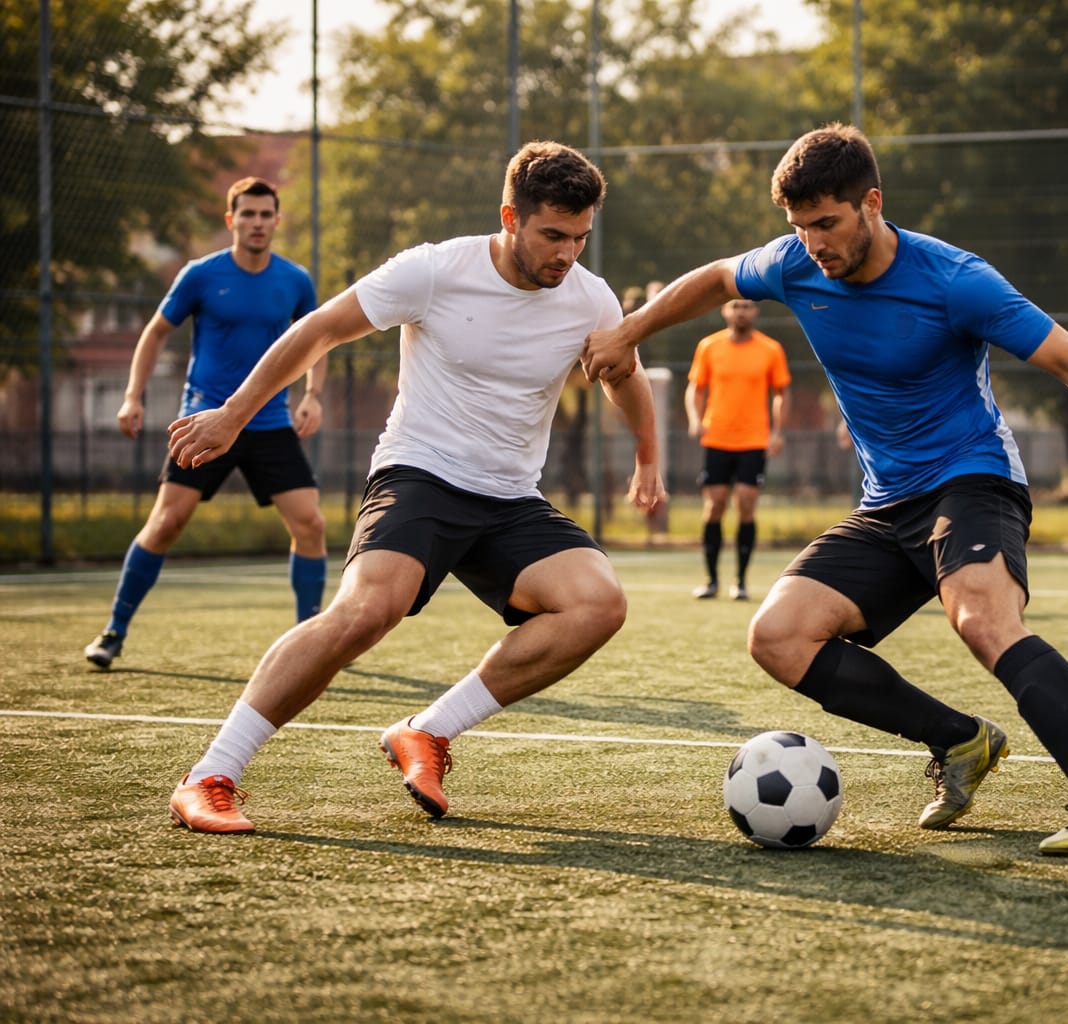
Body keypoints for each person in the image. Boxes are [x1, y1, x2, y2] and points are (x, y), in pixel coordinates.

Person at [583, 123, 1068, 857]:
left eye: (827, 223)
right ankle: (959, 740)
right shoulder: (793, 263)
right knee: (778, 637)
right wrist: (630, 331)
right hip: (887, 502)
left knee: (982, 620)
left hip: (972, 479)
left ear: (871, 203)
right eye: (800, 226)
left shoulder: (955, 280)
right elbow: (715, 279)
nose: (813, 243)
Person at [162, 141, 664, 834]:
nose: (567, 254)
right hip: (420, 474)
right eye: (553, 235)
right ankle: (209, 775)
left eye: (580, 238)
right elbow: (318, 331)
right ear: (510, 217)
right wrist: (233, 415)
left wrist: (646, 454)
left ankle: (427, 731)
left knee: (598, 604)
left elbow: (622, 373)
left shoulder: (589, 297)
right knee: (367, 612)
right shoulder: (433, 270)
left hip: (510, 496)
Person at [84, 176, 326, 671]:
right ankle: (114, 631)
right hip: (205, 419)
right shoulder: (200, 275)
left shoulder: (295, 280)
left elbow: (317, 339)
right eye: (248, 214)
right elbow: (155, 333)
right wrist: (132, 396)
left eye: (265, 215)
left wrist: (312, 395)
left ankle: (311, 641)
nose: (257, 223)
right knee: (166, 523)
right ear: (231, 219)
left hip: (269, 422)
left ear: (277, 221)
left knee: (311, 524)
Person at [684, 298, 791, 601]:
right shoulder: (709, 346)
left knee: (745, 503)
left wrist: (778, 432)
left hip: (754, 440)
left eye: (747, 306)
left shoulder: (770, 349)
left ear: (755, 311)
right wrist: (695, 419)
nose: (741, 311)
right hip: (717, 438)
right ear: (725, 311)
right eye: (735, 306)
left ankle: (741, 581)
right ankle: (711, 580)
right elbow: (695, 388)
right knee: (715, 505)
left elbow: (782, 393)